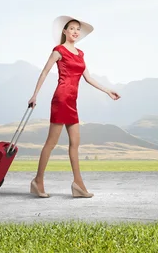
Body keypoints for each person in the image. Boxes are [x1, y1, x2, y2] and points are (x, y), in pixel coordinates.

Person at [27, 15, 120, 198]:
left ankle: (78, 185)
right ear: (64, 31)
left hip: (72, 101)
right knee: (51, 143)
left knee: (75, 144)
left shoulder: (81, 54)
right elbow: (45, 72)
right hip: (61, 99)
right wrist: (35, 95)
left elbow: (88, 78)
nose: (75, 31)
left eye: (78, 29)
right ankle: (38, 181)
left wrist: (107, 91)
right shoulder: (58, 50)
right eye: (72, 28)